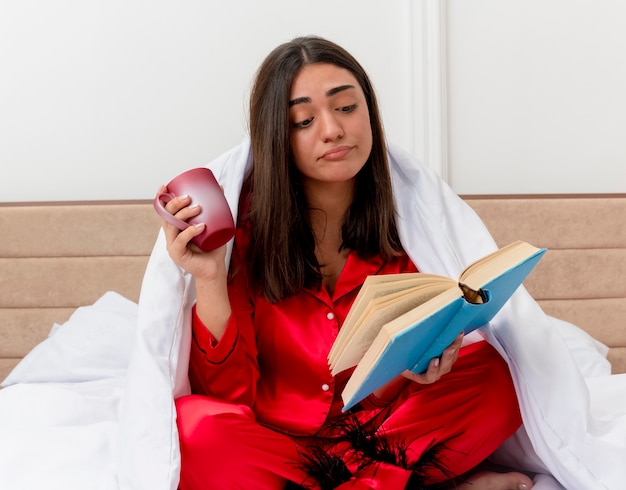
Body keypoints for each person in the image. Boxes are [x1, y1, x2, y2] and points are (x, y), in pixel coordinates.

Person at [159, 36, 534, 490]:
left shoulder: (412, 226)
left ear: (368, 114)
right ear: (277, 136)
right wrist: (210, 277)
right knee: (193, 428)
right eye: (303, 119)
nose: (332, 130)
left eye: (345, 108)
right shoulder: (245, 232)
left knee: (498, 376)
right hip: (280, 443)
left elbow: (388, 381)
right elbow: (229, 395)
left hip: (385, 434)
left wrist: (421, 366)